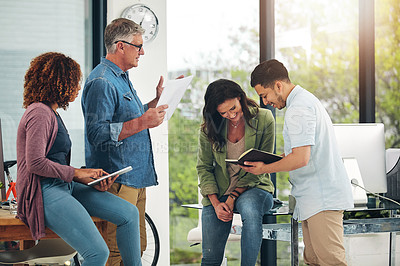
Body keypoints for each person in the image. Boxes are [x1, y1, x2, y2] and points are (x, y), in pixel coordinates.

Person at [16, 52, 142, 266]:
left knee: (129, 213)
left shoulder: (51, 113)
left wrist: (84, 177)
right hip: (44, 191)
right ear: (59, 82)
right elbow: (35, 162)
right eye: (74, 82)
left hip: (63, 186)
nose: (77, 88)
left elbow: (53, 160)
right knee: (97, 252)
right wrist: (76, 173)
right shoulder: (39, 113)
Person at [81, 18, 178, 265]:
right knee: (115, 250)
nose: (142, 52)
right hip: (117, 180)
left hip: (135, 176)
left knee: (137, 246)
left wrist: (154, 104)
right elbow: (97, 134)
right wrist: (143, 122)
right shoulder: (102, 81)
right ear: (120, 46)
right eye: (138, 46)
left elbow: (129, 119)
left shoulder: (121, 77)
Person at [244, 59, 354, 266]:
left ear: (278, 85)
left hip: (322, 199)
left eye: (264, 95)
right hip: (314, 199)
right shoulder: (303, 102)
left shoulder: (299, 109)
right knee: (313, 260)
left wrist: (264, 169)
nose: (266, 102)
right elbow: (302, 154)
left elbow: (300, 158)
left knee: (331, 262)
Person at [197, 79, 276, 265]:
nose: (231, 115)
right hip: (220, 192)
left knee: (249, 208)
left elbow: (261, 164)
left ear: (240, 98)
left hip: (255, 187)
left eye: (233, 108)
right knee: (210, 258)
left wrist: (232, 198)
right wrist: (216, 203)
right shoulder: (210, 127)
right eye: (223, 113)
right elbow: (204, 167)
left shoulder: (264, 119)